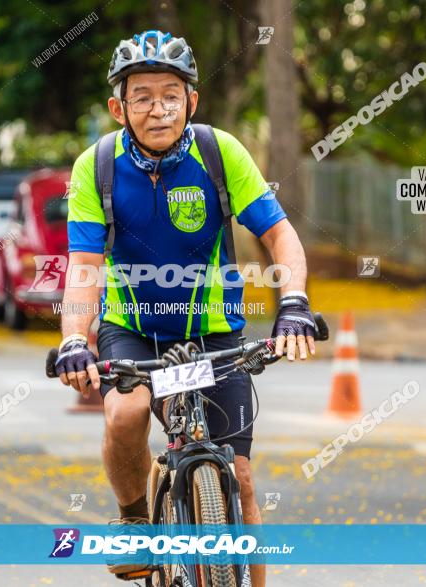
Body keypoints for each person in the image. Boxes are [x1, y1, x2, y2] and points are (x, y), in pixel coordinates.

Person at [54, 30, 320, 586]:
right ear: (118, 107)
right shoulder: (96, 166)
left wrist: (293, 304)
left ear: (191, 101)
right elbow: (84, 268)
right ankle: (134, 519)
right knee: (125, 413)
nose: (158, 108)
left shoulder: (221, 153)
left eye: (171, 94)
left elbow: (281, 237)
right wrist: (75, 338)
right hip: (135, 334)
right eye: (143, 95)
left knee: (241, 481)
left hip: (216, 336)